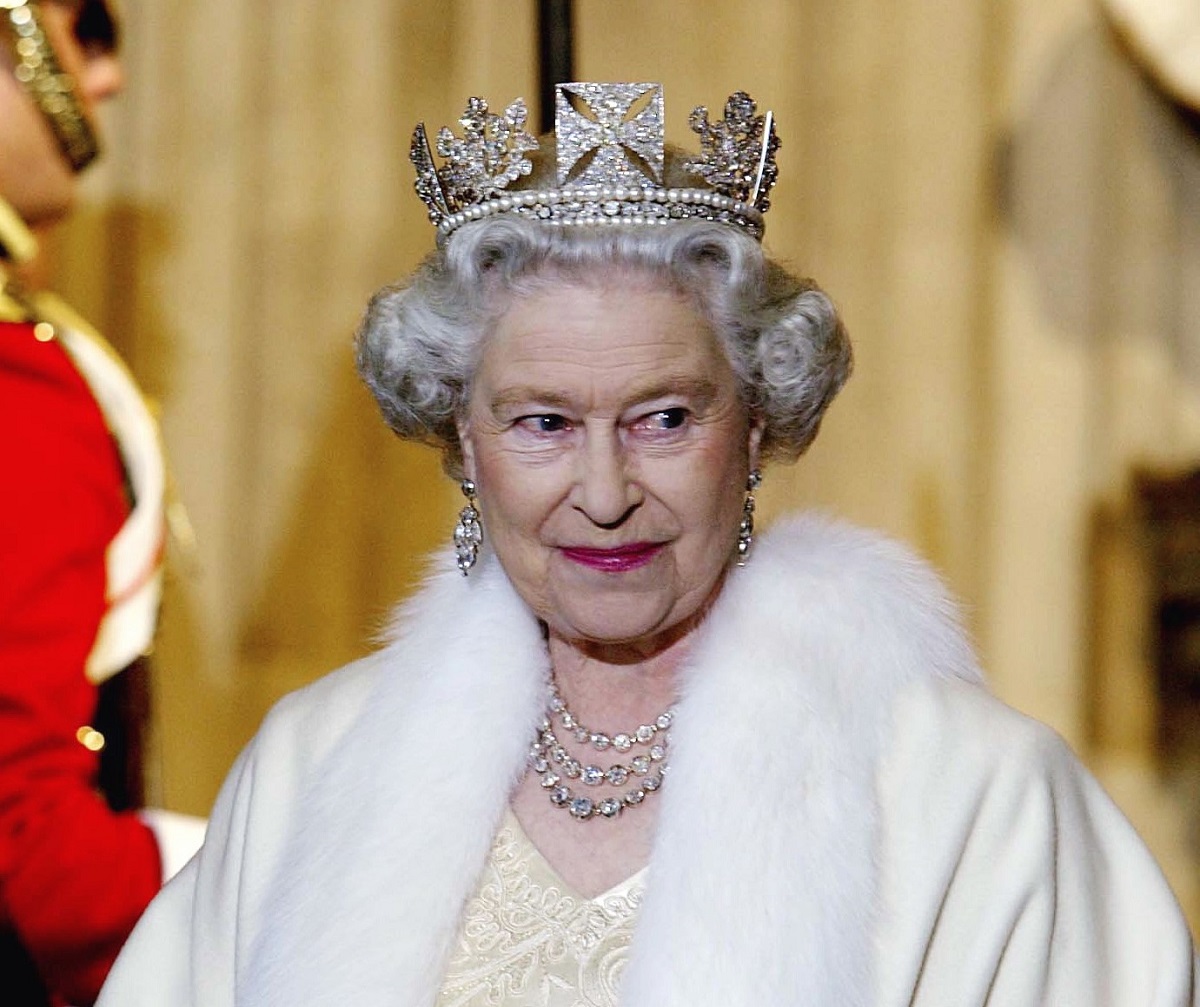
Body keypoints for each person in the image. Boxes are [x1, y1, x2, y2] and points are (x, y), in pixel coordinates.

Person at [98, 83, 1197, 1006]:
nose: (607, 492)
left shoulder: (973, 796)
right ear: (464, 445)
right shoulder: (312, 765)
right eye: (544, 423)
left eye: (665, 417)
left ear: (758, 424)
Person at [0, 3, 203, 1004]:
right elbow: (20, 838)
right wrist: (255, 873)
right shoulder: (17, 389)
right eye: (84, 26)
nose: (108, 78)